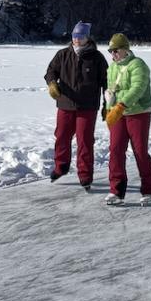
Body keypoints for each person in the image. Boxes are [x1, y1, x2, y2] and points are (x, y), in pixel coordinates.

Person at [44, 21, 108, 190]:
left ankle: (85, 175)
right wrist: (52, 83)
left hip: (87, 107)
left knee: (85, 141)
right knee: (62, 136)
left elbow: (106, 82)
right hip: (65, 104)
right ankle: (61, 167)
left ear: (87, 38)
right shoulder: (62, 54)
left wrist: (107, 103)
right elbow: (50, 72)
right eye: (74, 36)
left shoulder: (97, 58)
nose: (76, 40)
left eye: (80, 36)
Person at [103, 33, 151, 206]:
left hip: (139, 113)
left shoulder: (138, 65)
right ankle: (116, 191)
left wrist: (121, 105)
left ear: (125, 49)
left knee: (140, 151)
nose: (113, 54)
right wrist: (108, 110)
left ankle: (150, 190)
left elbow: (138, 88)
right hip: (119, 114)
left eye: (116, 50)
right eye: (110, 51)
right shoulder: (112, 67)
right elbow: (111, 90)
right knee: (115, 150)